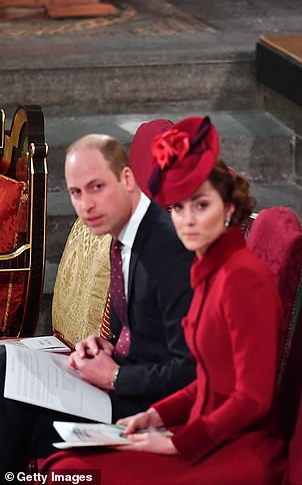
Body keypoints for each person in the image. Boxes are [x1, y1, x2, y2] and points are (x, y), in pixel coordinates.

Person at [42, 116, 287, 484]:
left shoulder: (243, 276)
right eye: (177, 208)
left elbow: (252, 400)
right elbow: (207, 380)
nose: (187, 221)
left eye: (200, 206)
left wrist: (179, 442)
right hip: (196, 431)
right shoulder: (208, 269)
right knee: (65, 467)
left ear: (230, 208)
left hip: (236, 448)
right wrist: (157, 414)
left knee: (74, 473)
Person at [0, 135, 195, 474]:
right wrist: (104, 347)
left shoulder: (169, 252)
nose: (85, 205)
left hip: (148, 410)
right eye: (76, 193)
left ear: (127, 179)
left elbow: (189, 371)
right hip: (118, 387)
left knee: (14, 404)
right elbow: (139, 338)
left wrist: (117, 376)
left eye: (97, 187)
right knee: (4, 361)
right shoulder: (123, 239)